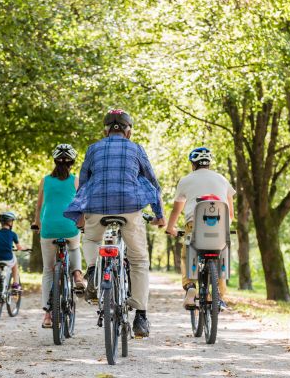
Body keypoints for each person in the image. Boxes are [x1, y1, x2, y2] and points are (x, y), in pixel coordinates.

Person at [64, 109, 165, 338]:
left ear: (105, 130)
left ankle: (92, 271)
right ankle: (140, 316)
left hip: (97, 208)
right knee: (139, 260)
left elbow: (84, 184)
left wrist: (80, 211)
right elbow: (153, 183)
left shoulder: (93, 148)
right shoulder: (136, 148)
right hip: (130, 208)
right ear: (128, 131)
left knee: (90, 238)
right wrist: (160, 215)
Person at [165, 147, 235, 309]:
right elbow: (230, 213)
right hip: (220, 227)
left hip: (194, 226)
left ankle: (190, 286)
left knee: (187, 254)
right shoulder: (223, 179)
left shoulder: (185, 180)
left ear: (193, 164)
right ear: (209, 164)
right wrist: (225, 229)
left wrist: (170, 228)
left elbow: (177, 210)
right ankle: (218, 295)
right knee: (221, 256)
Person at [32, 144, 85, 328]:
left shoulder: (45, 180)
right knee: (74, 245)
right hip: (69, 226)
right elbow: (81, 206)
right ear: (72, 162)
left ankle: (47, 315)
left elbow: (39, 207)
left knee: (48, 271)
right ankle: (77, 275)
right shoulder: (76, 180)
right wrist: (82, 223)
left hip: (48, 229)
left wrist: (37, 224)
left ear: (55, 161)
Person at [0, 211, 26, 301]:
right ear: (9, 222)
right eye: (12, 221)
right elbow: (19, 247)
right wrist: (25, 248)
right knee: (15, 264)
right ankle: (16, 284)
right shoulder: (12, 234)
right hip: (7, 258)